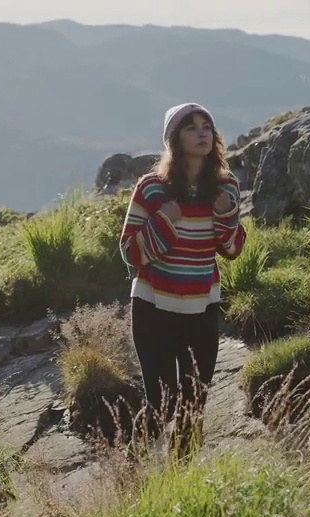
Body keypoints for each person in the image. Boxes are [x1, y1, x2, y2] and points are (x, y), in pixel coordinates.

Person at [118, 101, 247, 456]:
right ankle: (132, 473)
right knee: (161, 405)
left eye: (206, 125)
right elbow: (130, 252)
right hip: (152, 307)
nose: (202, 131)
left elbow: (233, 248)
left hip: (201, 309)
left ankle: (181, 485)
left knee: (193, 406)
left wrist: (226, 214)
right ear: (175, 139)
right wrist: (165, 219)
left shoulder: (226, 188)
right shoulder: (151, 189)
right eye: (191, 126)